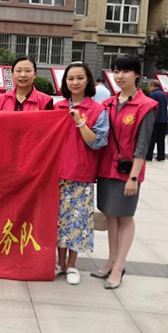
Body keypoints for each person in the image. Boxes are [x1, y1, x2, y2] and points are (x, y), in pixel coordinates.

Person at [93, 55, 157, 289]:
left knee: (125, 217)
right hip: (106, 168)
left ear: (137, 74)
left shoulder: (146, 105)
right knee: (111, 215)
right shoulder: (108, 103)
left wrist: (134, 177)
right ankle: (111, 260)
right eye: (117, 71)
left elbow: (143, 145)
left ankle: (119, 267)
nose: (120, 76)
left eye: (125, 71)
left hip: (128, 171)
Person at [54, 62, 109, 285]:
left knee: (76, 222)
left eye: (80, 78)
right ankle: (59, 263)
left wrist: (79, 122)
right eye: (70, 78)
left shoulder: (97, 110)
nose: (75, 82)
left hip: (80, 174)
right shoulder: (57, 108)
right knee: (59, 221)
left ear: (88, 81)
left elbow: (97, 142)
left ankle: (71, 265)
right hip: (56, 174)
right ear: (65, 82)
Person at [146, 79, 168, 161]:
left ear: (152, 86)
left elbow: (151, 107)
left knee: (152, 138)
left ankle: (149, 155)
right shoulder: (164, 95)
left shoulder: (153, 95)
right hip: (164, 119)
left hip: (155, 120)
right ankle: (161, 155)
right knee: (161, 139)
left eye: (149, 87)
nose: (149, 88)